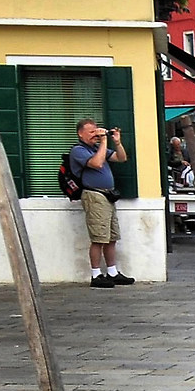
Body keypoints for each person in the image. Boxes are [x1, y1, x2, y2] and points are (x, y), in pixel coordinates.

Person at [68, 117, 131, 288]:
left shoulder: (97, 147)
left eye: (96, 131)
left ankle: (112, 272)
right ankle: (96, 274)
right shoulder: (78, 151)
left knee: (111, 237)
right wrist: (103, 140)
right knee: (99, 238)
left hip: (107, 196)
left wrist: (116, 142)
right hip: (94, 196)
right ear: (80, 134)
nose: (95, 135)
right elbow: (96, 163)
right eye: (91, 132)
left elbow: (121, 158)